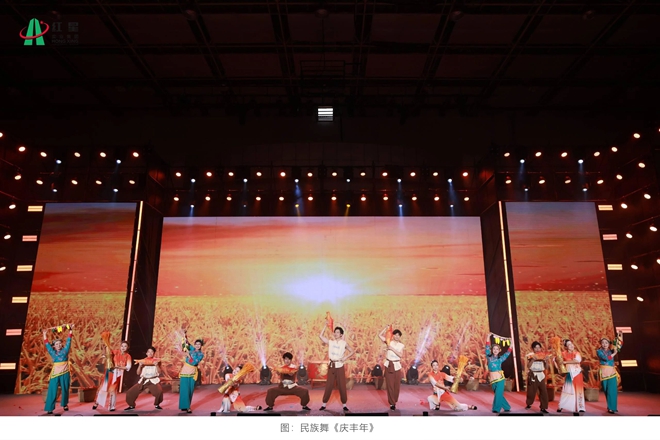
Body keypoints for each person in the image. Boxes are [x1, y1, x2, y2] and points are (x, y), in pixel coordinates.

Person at [319, 324, 355, 412]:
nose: (335, 334)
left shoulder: (344, 343)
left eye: (338, 332)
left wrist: (345, 358)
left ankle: (344, 405)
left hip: (339, 366)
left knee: (342, 385)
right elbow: (320, 336)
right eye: (335, 332)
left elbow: (352, 351)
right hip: (332, 365)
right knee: (329, 385)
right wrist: (325, 326)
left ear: (341, 334)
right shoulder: (331, 342)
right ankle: (324, 404)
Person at [92, 340, 132, 411]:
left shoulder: (128, 356)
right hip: (109, 372)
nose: (123, 347)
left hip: (117, 374)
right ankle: (97, 403)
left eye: (125, 346)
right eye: (122, 346)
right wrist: (104, 348)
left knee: (113, 390)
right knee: (103, 388)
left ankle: (111, 406)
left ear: (128, 347)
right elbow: (105, 355)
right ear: (120, 346)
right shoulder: (115, 352)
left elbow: (128, 367)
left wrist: (117, 367)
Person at [43, 325, 74, 414]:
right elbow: (47, 345)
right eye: (57, 344)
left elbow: (69, 341)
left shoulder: (65, 350)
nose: (59, 345)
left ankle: (64, 404)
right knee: (52, 390)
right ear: (54, 346)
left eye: (60, 343)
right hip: (56, 373)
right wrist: (44, 334)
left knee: (65, 389)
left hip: (65, 372)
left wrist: (71, 330)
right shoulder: (52, 352)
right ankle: (50, 408)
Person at [124, 346, 163, 410]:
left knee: (159, 391)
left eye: (152, 352)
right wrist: (139, 366)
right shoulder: (143, 361)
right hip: (144, 380)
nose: (150, 353)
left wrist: (156, 365)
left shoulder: (157, 361)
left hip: (153, 380)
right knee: (130, 392)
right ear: (146, 353)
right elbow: (138, 373)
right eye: (149, 352)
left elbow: (160, 372)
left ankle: (157, 404)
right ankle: (131, 406)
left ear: (154, 353)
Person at [378, 326, 405, 410]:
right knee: (390, 385)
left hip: (397, 365)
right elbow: (379, 335)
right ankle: (391, 403)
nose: (397, 336)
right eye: (395, 335)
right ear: (393, 335)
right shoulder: (389, 341)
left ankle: (394, 400)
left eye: (398, 335)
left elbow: (400, 355)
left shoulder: (401, 345)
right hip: (389, 365)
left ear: (400, 336)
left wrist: (392, 349)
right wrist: (385, 328)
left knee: (396, 385)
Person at [485, 332, 512, 413]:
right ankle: (507, 407)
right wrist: (488, 336)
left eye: (497, 349)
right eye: (494, 349)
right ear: (491, 350)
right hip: (492, 378)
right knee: (498, 394)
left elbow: (508, 352)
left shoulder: (501, 358)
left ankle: (496, 409)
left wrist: (511, 343)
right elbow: (487, 346)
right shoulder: (488, 357)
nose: (495, 350)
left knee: (498, 394)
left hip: (500, 378)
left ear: (499, 350)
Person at [178, 331, 204, 413]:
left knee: (189, 390)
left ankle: (188, 406)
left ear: (201, 346)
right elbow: (186, 344)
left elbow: (194, 362)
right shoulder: (192, 349)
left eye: (199, 344)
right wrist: (184, 336)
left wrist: (188, 356)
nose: (197, 345)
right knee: (183, 389)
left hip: (192, 372)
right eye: (196, 344)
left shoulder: (201, 354)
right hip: (185, 371)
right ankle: (184, 406)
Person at [557, 339, 585, 413]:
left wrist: (565, 362)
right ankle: (562, 405)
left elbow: (577, 361)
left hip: (577, 373)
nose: (571, 345)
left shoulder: (577, 353)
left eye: (572, 344)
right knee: (567, 389)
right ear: (566, 347)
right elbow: (557, 360)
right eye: (569, 344)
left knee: (578, 390)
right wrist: (557, 360)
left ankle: (580, 407)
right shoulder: (563, 353)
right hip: (569, 374)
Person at [597, 334, 621, 414]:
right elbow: (606, 358)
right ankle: (610, 406)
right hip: (604, 372)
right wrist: (614, 354)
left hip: (612, 372)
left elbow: (619, 346)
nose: (604, 344)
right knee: (606, 390)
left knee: (612, 390)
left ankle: (612, 408)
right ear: (601, 343)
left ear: (609, 344)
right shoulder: (599, 351)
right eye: (603, 343)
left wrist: (618, 342)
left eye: (606, 343)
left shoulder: (611, 350)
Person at [525, 341, 550, 413]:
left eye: (539, 347)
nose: (537, 349)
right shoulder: (530, 355)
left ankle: (543, 407)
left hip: (541, 375)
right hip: (533, 375)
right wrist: (533, 359)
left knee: (543, 392)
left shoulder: (543, 355)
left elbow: (546, 367)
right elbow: (528, 366)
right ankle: (529, 404)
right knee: (531, 392)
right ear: (533, 348)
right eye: (535, 348)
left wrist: (547, 361)